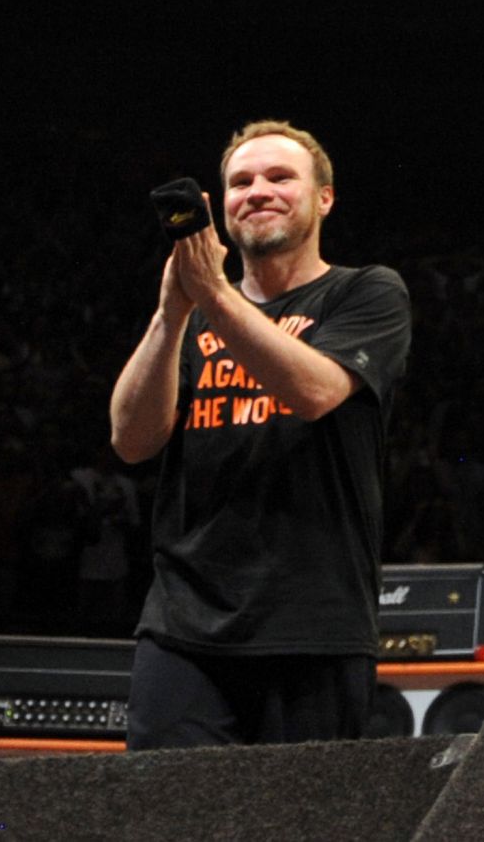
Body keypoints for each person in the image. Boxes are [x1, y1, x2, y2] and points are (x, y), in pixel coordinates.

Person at [109, 121, 411, 748]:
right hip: (183, 623)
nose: (258, 191)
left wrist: (214, 295)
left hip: (314, 625)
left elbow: (315, 391)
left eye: (280, 177)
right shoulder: (191, 317)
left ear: (323, 197)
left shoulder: (366, 292)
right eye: (240, 182)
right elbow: (131, 439)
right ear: (219, 209)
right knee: (161, 816)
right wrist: (171, 314)